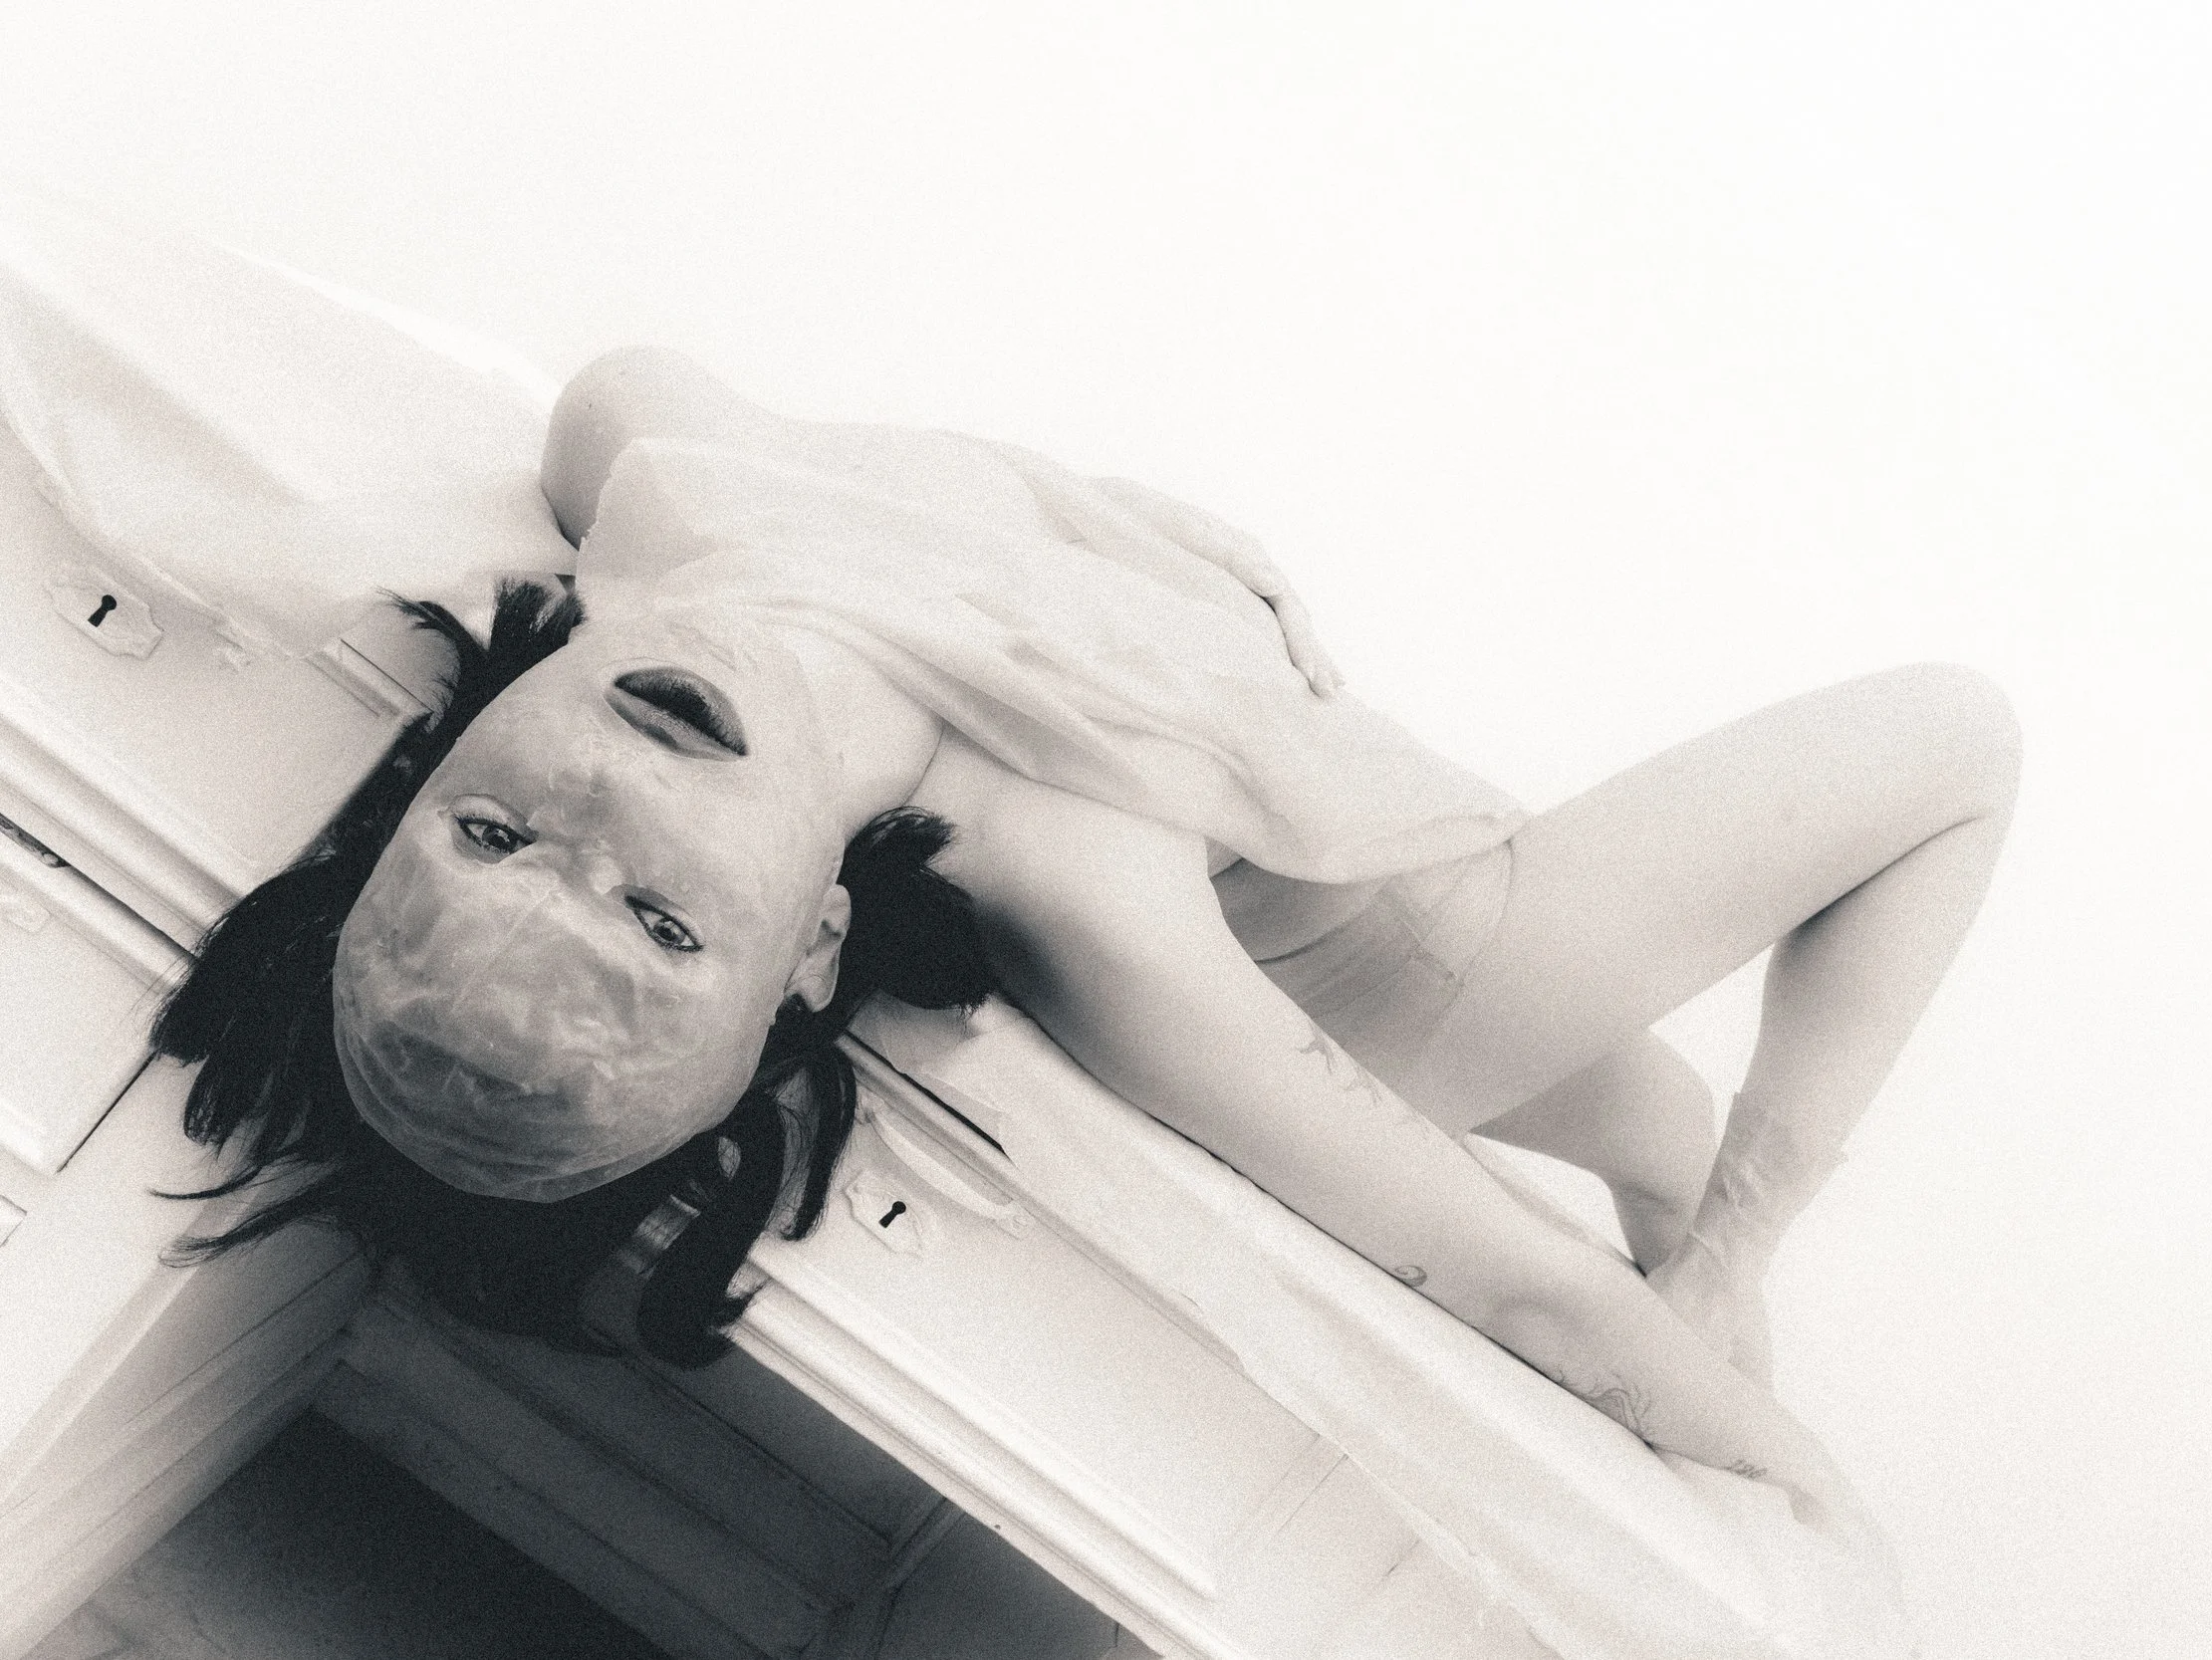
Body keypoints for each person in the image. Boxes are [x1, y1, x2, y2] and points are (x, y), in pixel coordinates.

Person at [157, 348, 2018, 1569]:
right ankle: (1721, 1215)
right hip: (1416, 939)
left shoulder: (651, 491)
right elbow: (1522, 1293)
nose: (612, 811)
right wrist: (1796, 1477)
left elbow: (653, 412)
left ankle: (1666, 1150)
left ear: (420, 788)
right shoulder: (1082, 879)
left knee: (1647, 1109)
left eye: (493, 838)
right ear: (808, 949)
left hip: (1266, 721)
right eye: (663, 921)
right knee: (1951, 741)